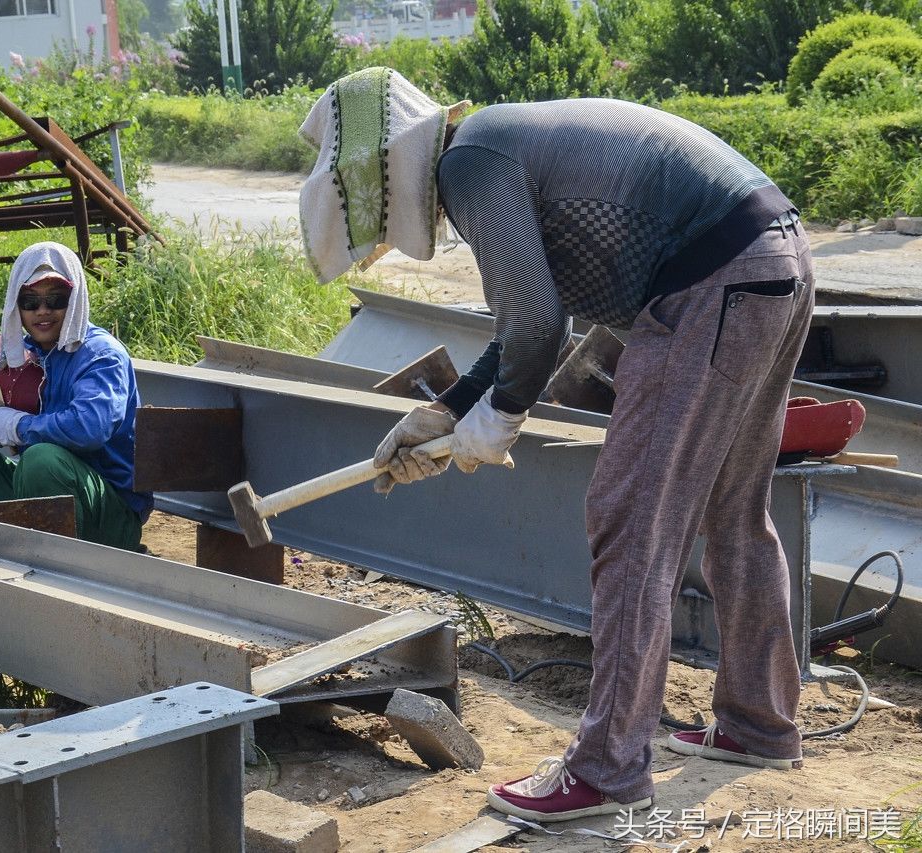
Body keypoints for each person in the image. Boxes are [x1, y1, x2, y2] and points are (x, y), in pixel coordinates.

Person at [298, 68, 812, 822]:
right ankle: (760, 723)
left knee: (632, 520)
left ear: (381, 167)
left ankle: (606, 770)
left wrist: (495, 424)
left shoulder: (469, 163)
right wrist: (447, 411)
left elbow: (538, 325)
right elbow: (539, 318)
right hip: (775, 261)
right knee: (735, 510)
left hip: (709, 284)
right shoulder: (495, 141)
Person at [0, 241, 153, 551]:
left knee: (41, 460)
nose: (43, 311)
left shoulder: (101, 356)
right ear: (16, 305)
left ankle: (54, 571)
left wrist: (20, 427)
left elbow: (89, 429)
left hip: (109, 513)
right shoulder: (28, 353)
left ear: (74, 299)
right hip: (43, 493)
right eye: (30, 301)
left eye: (56, 299)